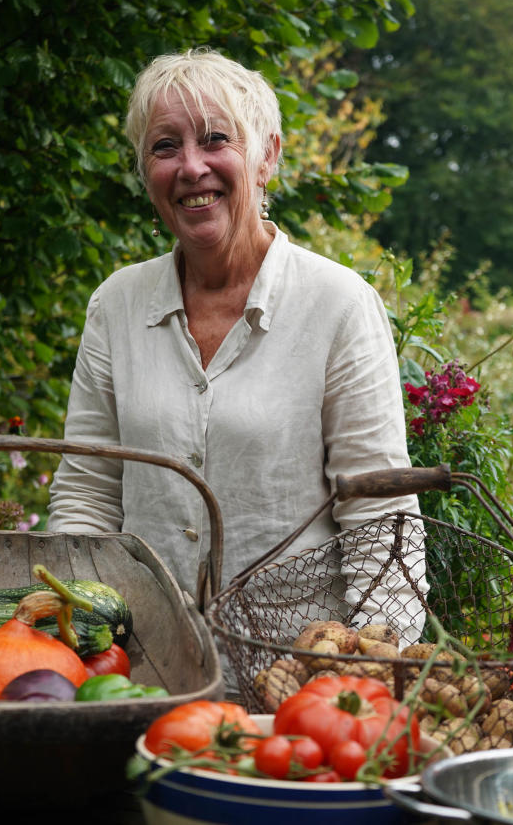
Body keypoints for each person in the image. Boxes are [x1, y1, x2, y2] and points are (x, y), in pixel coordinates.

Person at [46, 48, 424, 640]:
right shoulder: (115, 305)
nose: (191, 167)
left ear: (266, 156)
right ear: (146, 173)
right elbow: (87, 496)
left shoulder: (338, 305)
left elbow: (379, 509)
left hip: (295, 677)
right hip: (141, 663)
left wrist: (371, 664)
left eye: (216, 139)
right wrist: (78, 642)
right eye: (164, 147)